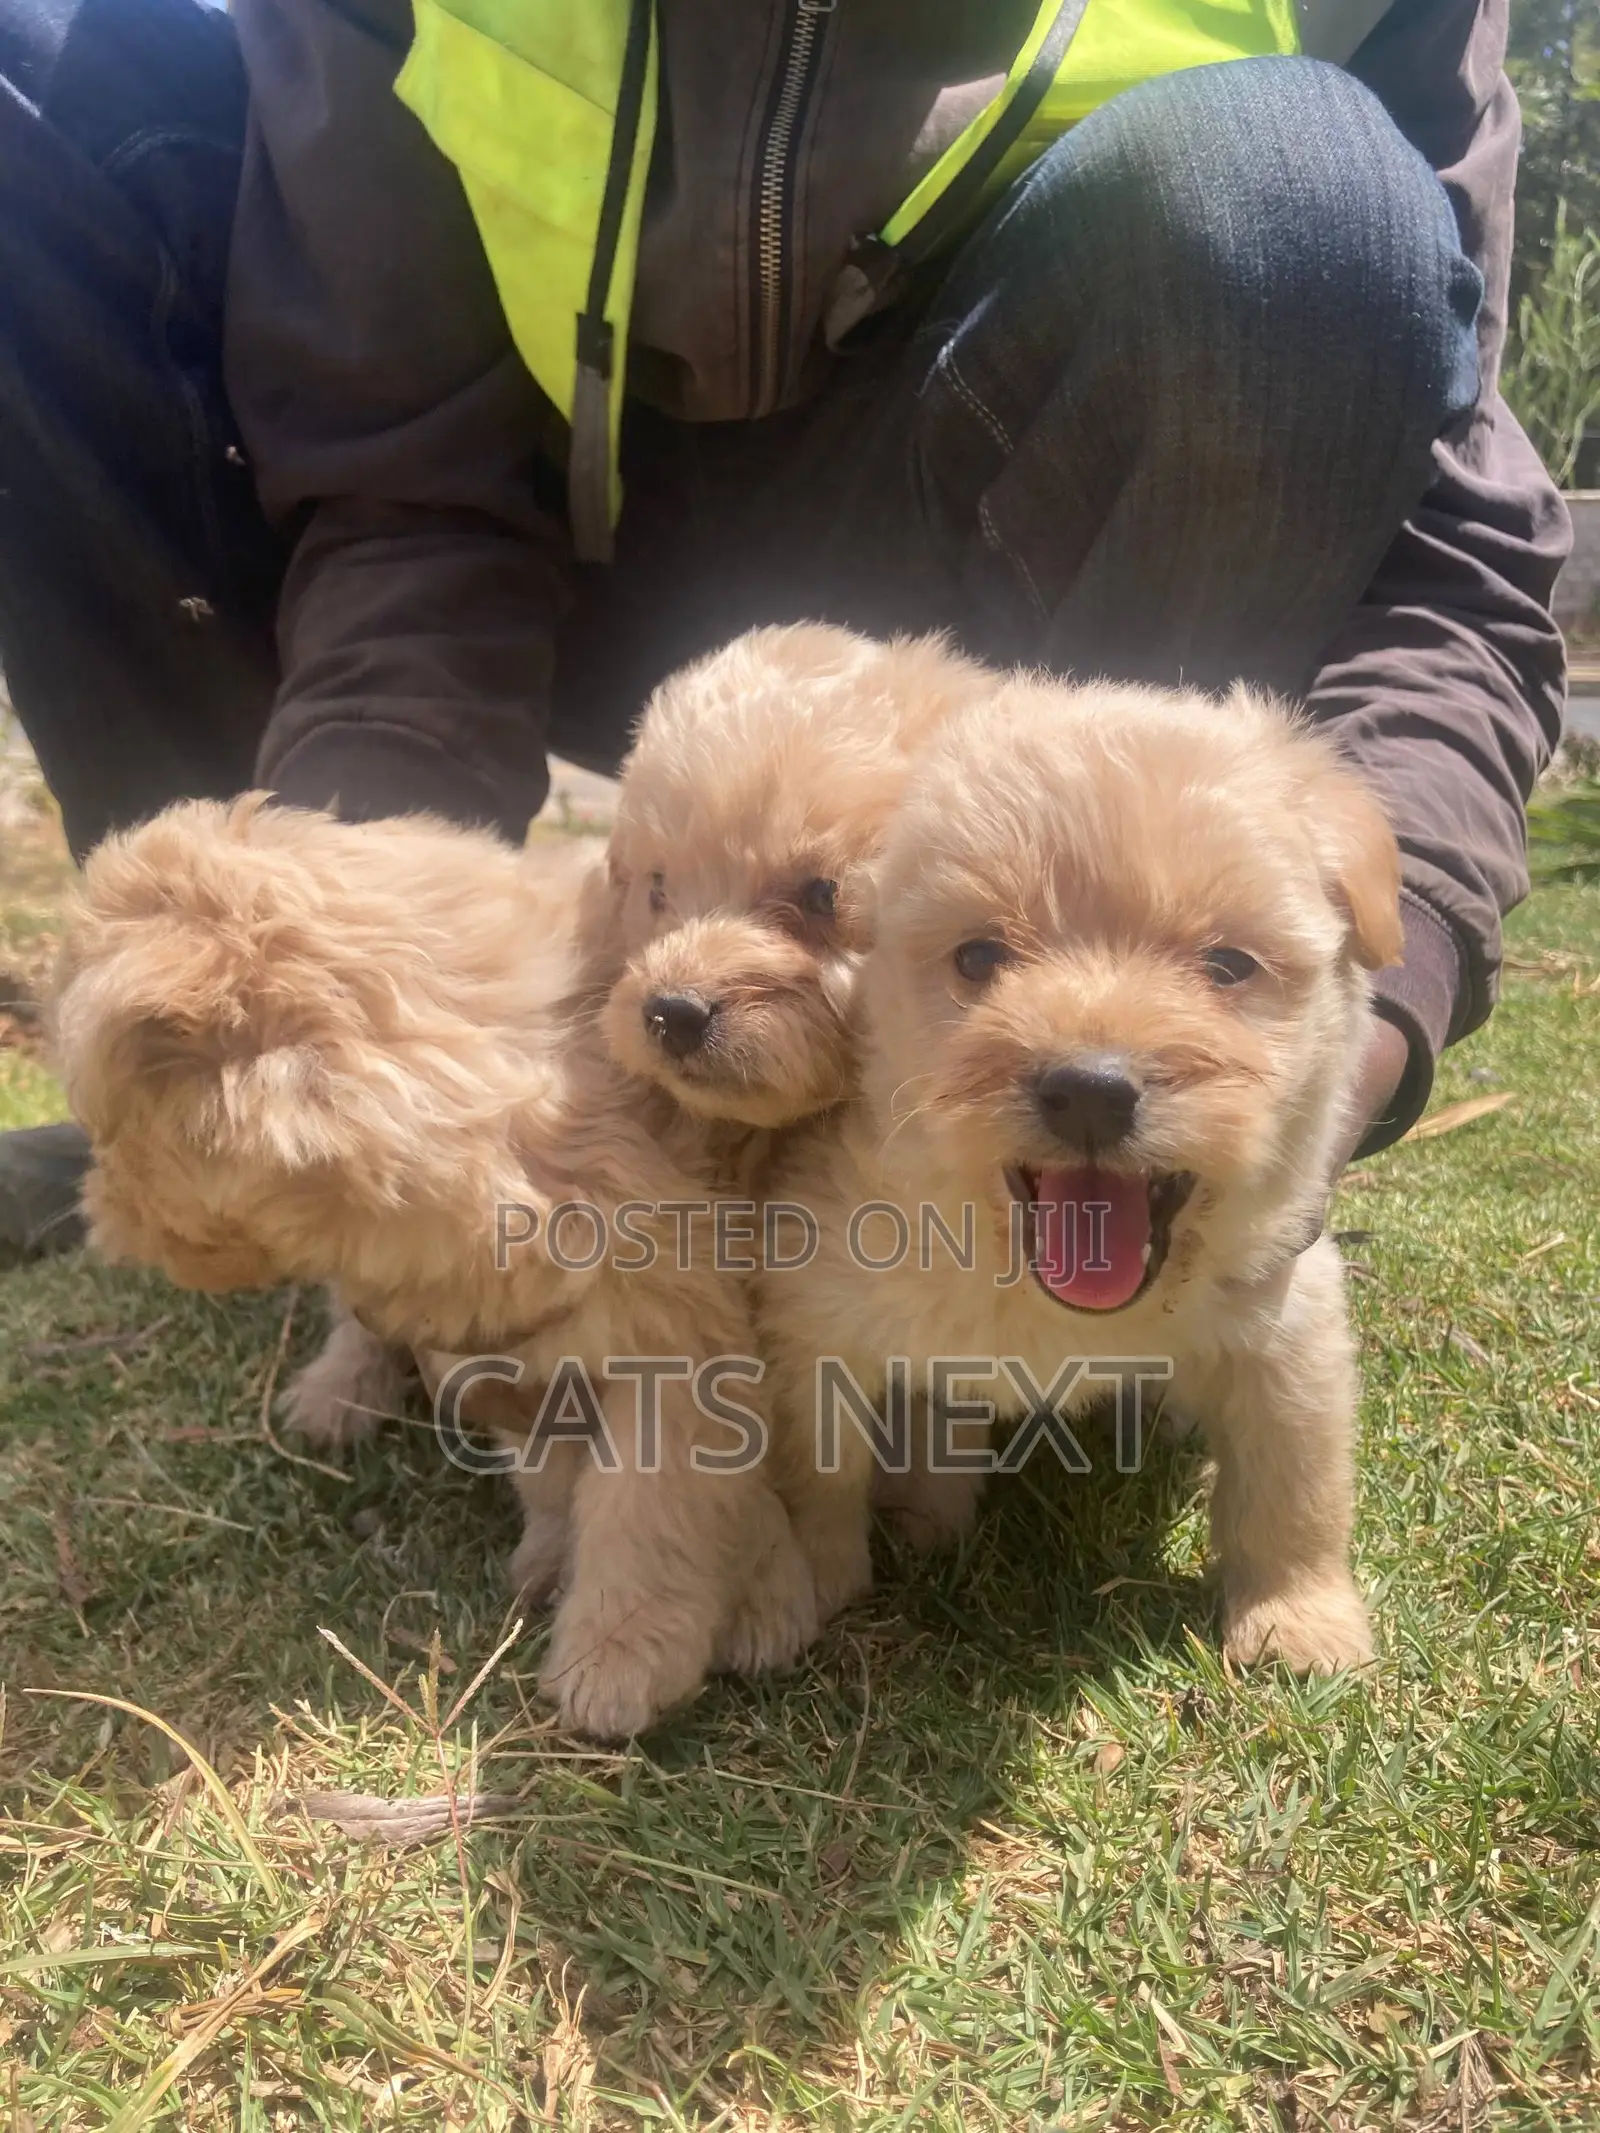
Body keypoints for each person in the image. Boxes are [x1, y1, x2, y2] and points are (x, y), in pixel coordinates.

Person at [0, 0, 1571, 1265]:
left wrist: (1357, 1019)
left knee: (1293, 201)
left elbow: (1449, 542)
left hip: (1024, 525)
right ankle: (242, 1102)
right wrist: (319, 979)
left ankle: (1014, 1166)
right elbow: (401, 500)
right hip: (582, 523)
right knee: (37, 83)